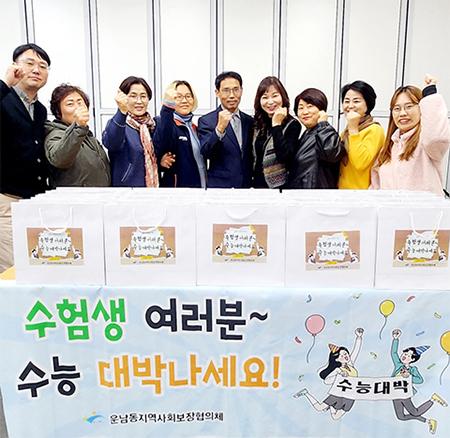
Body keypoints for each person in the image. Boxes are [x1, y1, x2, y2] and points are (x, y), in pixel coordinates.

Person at [0, 43, 51, 274]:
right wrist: (5, 83)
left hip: (34, 200)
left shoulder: (39, 109)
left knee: (34, 266)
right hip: (7, 198)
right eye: (29, 63)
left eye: (43, 66)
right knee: (13, 269)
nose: (36, 70)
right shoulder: (4, 98)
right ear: (15, 67)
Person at [371, 75, 450, 196]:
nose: (402, 113)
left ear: (421, 108)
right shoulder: (389, 147)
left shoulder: (426, 142)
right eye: (397, 108)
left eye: (409, 106)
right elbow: (376, 186)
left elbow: (436, 137)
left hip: (423, 208)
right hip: (391, 208)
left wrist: (430, 95)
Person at [45, 84, 110, 187]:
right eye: (70, 104)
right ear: (58, 111)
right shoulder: (55, 134)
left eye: (80, 103)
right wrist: (78, 126)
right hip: (74, 197)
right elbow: (59, 158)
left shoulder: (86, 135)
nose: (77, 107)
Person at [279, 88, 346, 188]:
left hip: (315, 195)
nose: (305, 112)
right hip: (303, 194)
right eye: (301, 108)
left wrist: (323, 124)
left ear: (321, 110)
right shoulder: (307, 134)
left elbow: (332, 153)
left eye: (310, 106)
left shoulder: (325, 132)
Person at [293, 328, 364, 420]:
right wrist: (338, 374)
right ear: (337, 359)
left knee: (335, 417)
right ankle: (306, 393)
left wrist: (359, 337)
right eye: (342, 355)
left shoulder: (350, 364)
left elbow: (356, 351)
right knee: (319, 407)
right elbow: (327, 381)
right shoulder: (338, 369)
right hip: (338, 393)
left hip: (351, 395)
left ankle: (331, 407)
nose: (345, 356)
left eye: (346, 353)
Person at [198, 71, 253, 188]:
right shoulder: (206, 120)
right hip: (220, 186)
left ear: (241, 91)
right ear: (217, 92)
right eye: (226, 90)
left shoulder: (249, 121)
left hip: (246, 186)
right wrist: (219, 129)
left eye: (236, 89)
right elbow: (206, 152)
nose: (232, 95)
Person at [102, 76, 160, 187]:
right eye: (133, 96)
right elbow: (112, 143)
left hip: (151, 190)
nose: (139, 101)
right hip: (128, 190)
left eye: (143, 96)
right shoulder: (118, 123)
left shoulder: (151, 125)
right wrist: (121, 112)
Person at [390, 329, 447, 434]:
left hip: (404, 393)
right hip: (394, 393)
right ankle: (429, 421)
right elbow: (393, 353)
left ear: (412, 359)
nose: (405, 356)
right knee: (401, 417)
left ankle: (432, 400)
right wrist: (396, 339)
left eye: (408, 355)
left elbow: (420, 380)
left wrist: (409, 377)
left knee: (415, 412)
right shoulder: (398, 365)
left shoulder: (413, 369)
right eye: (405, 353)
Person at [153, 80, 206, 188]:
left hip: (200, 187)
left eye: (188, 96)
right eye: (178, 97)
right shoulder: (163, 123)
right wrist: (167, 107)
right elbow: (162, 142)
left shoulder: (195, 128)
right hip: (178, 191)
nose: (184, 100)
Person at [252, 76, 301, 189]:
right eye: (265, 97)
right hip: (257, 185)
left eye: (275, 96)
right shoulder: (257, 124)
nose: (270, 102)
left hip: (280, 187)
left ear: (283, 97)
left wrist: (276, 125)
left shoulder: (292, 124)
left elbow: (284, 157)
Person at [338, 80, 385, 189]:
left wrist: (353, 128)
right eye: (346, 101)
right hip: (343, 192)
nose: (350, 106)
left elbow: (360, 163)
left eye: (356, 101)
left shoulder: (375, 130)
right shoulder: (345, 132)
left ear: (368, 104)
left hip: (362, 194)